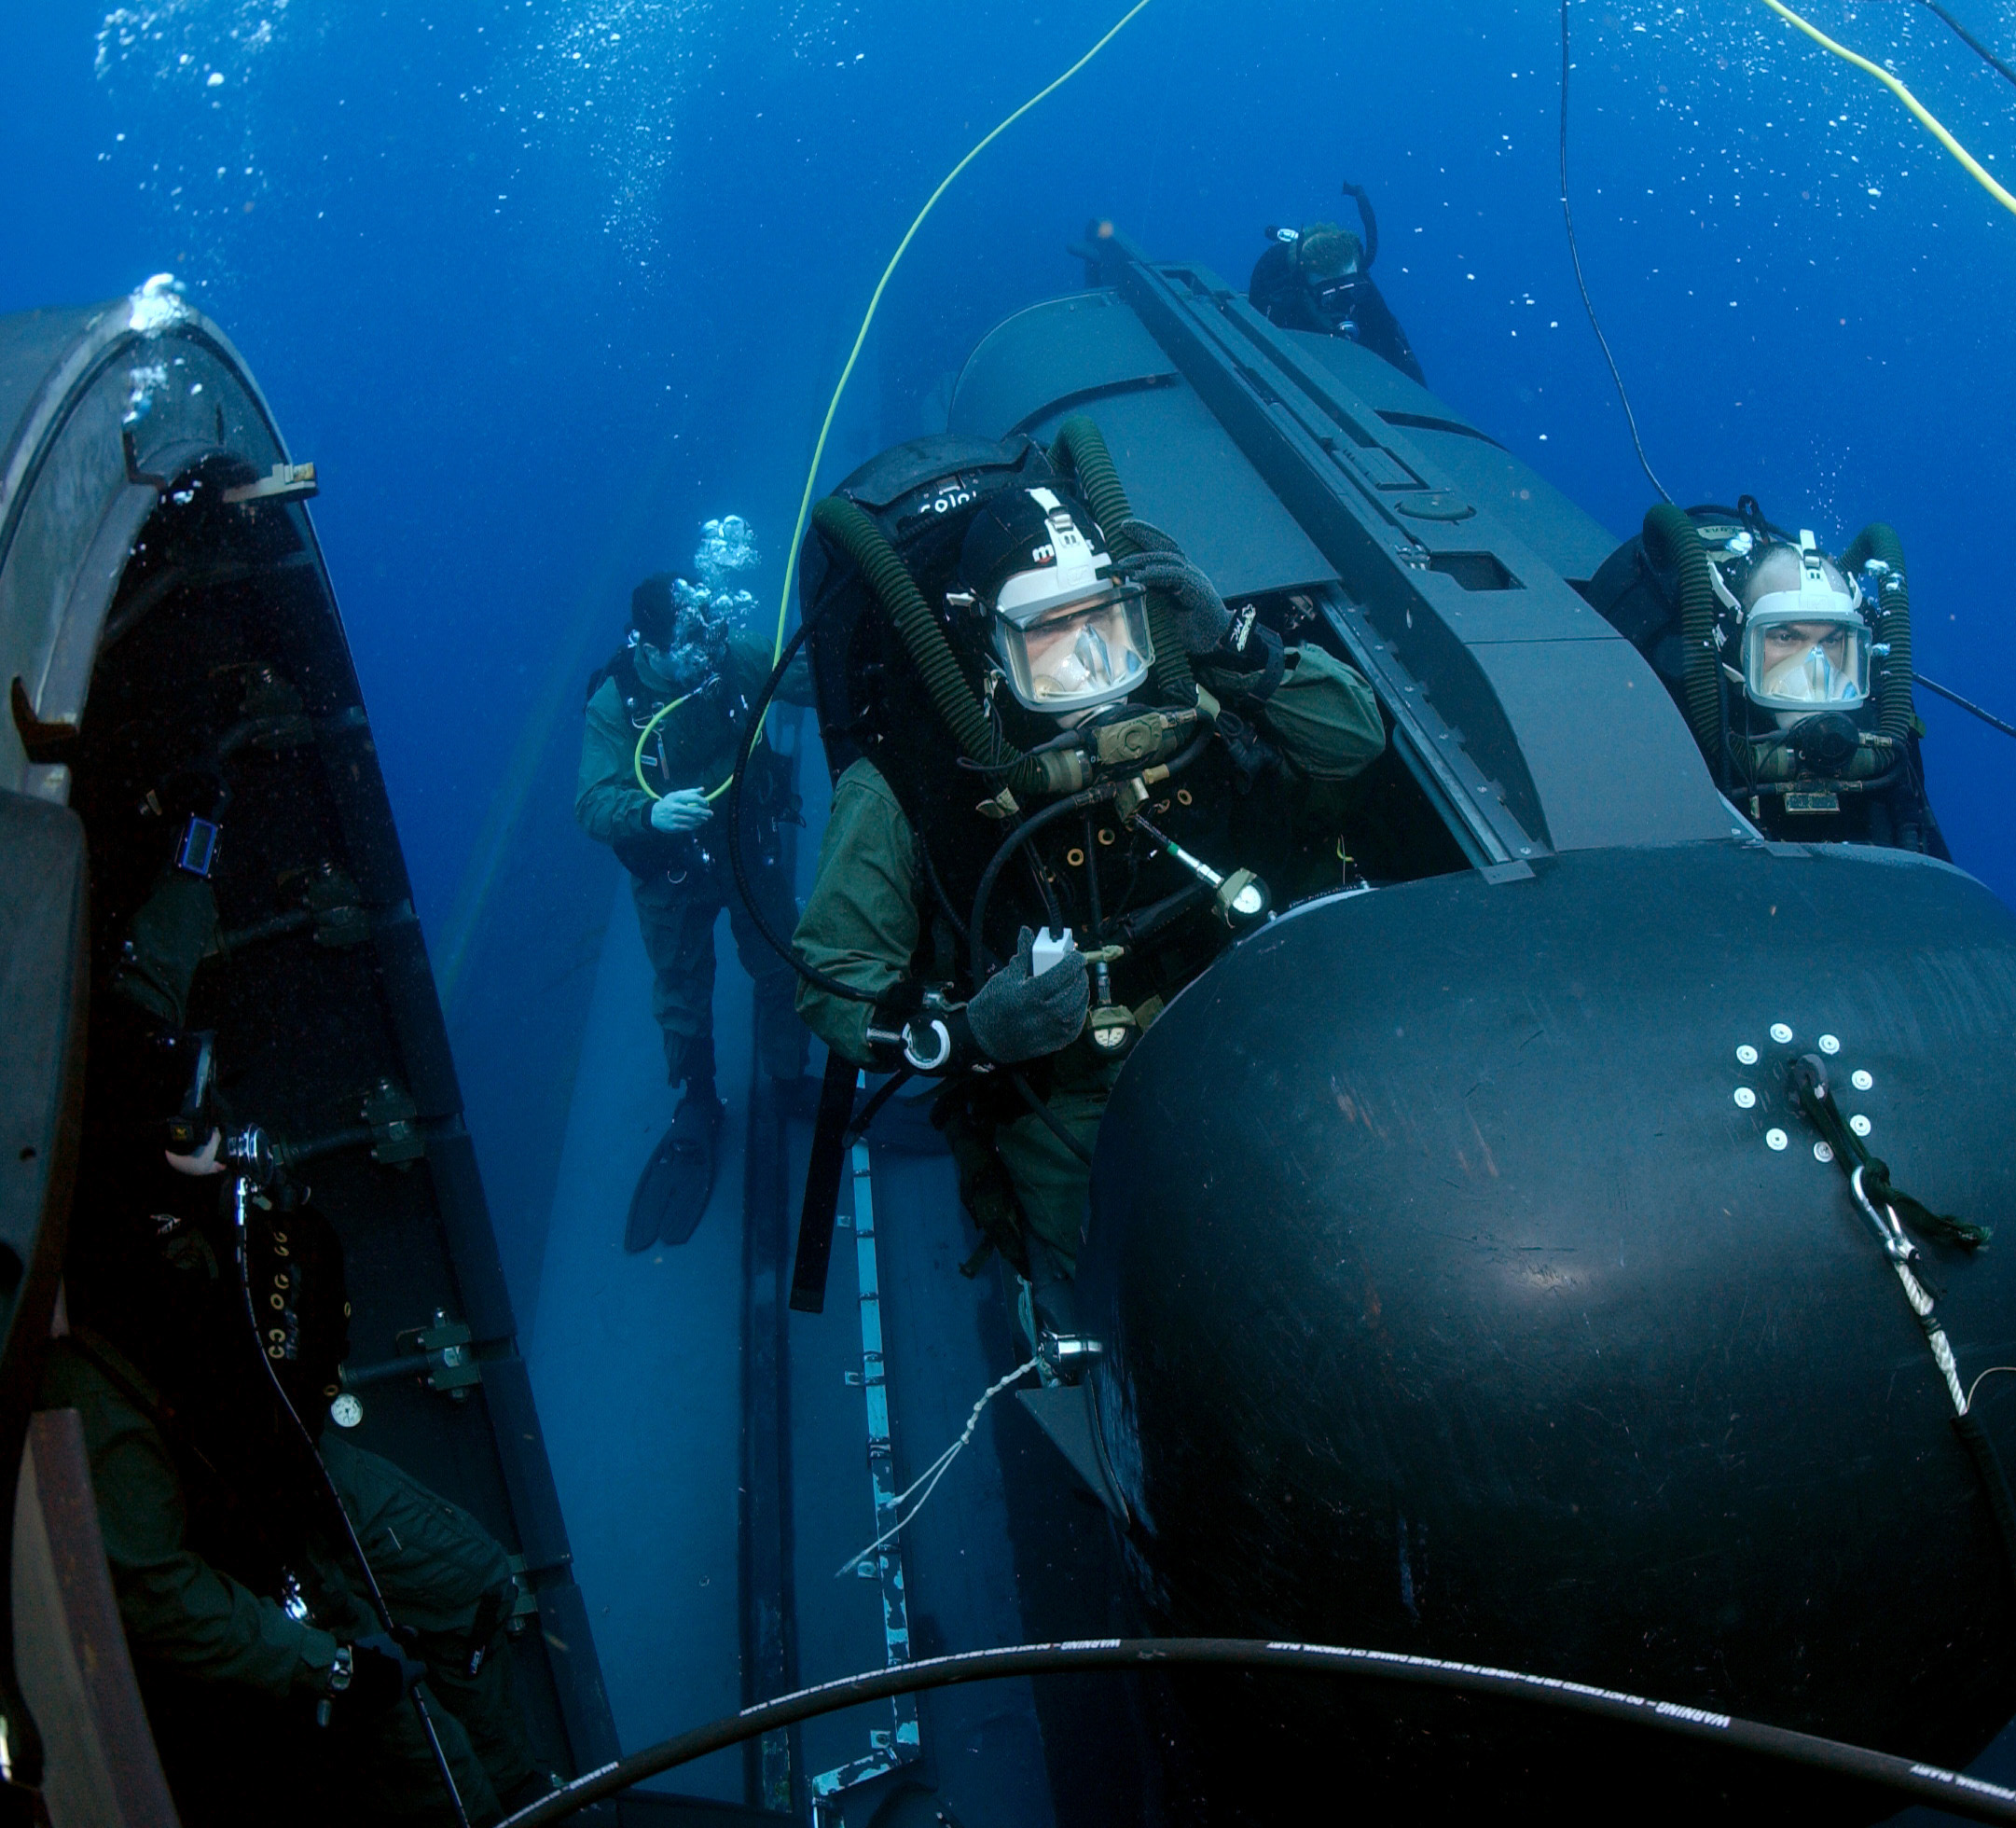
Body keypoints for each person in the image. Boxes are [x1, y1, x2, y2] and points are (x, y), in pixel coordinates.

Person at [789, 437, 1385, 1322]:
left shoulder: (1178, 694)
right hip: (1061, 1095)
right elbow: (832, 975)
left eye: (1108, 626)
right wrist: (967, 1032)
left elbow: (1355, 738)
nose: (1101, 675)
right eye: (1057, 642)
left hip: (1240, 1020)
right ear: (989, 651)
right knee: (1131, 1291)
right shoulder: (903, 785)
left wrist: (1226, 645)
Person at [48, 1053, 538, 1824]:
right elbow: (157, 1591)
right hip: (250, 1544)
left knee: (471, 1581)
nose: (220, 1133)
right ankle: (487, 1806)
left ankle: (521, 1794)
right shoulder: (97, 1372)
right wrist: (330, 1667)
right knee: (433, 1767)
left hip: (290, 1463)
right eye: (191, 1128)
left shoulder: (199, 1229)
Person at [574, 518, 812, 1252]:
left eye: (707, 641)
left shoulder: (724, 653)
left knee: (777, 960)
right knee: (682, 988)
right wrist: (649, 811)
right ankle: (699, 1099)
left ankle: (787, 1074)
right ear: (649, 645)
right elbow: (591, 803)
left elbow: (800, 676)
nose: (701, 660)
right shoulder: (616, 702)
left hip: (744, 842)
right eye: (686, 650)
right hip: (673, 869)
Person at [1582, 495, 1950, 853]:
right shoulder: (1694, 712)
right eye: (1786, 637)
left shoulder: (1880, 732)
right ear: (1737, 641)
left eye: (1834, 639)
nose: (1814, 669)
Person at [1248, 183, 1426, 383]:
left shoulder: (1365, 300)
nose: (1344, 304)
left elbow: (1403, 363)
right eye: (1330, 295)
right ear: (1305, 287)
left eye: (1352, 290)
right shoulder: (1283, 306)